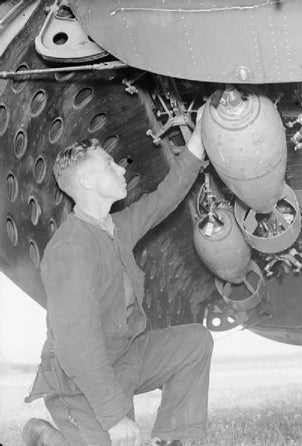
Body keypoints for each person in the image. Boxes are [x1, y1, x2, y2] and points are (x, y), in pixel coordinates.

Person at [23, 107, 213, 446]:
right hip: (79, 387)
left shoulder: (115, 228)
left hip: (124, 360)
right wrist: (113, 416)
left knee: (193, 342)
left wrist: (198, 142)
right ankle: (46, 437)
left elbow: (162, 200)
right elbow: (78, 348)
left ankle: (173, 439)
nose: (119, 167)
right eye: (109, 165)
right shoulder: (70, 250)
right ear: (87, 182)